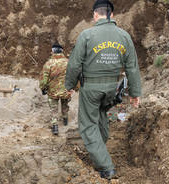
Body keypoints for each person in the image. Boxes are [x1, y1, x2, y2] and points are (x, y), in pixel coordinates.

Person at [65, 0, 141, 180]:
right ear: (112, 15)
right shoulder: (124, 36)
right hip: (111, 89)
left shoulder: (87, 35)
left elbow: (74, 65)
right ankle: (99, 147)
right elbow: (132, 68)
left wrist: (69, 85)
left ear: (95, 15)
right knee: (100, 116)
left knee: (88, 125)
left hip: (91, 87)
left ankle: (106, 167)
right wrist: (135, 93)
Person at [39, 42, 72, 135]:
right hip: (66, 90)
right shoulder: (68, 62)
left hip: (53, 91)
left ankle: (55, 127)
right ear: (62, 51)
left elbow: (44, 78)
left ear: (53, 51)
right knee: (65, 105)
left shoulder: (49, 63)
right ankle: (65, 120)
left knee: (54, 109)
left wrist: (43, 88)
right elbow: (73, 75)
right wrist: (73, 87)